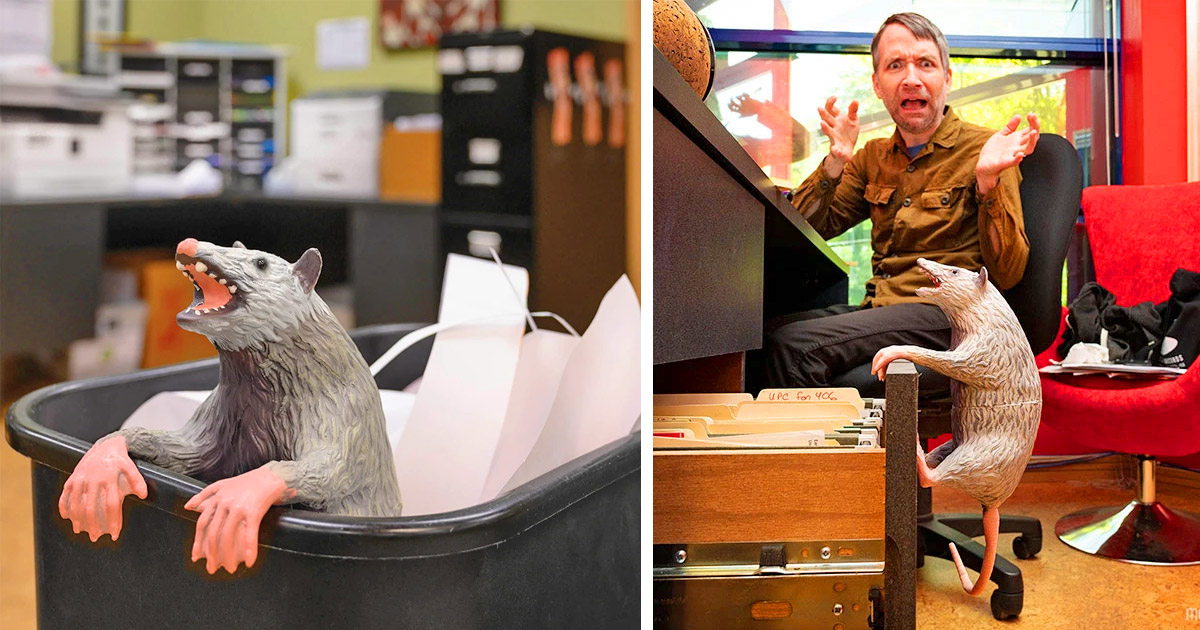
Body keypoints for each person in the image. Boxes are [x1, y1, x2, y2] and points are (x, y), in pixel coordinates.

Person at [764, 12, 1040, 389]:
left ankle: (824, 449)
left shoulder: (988, 150)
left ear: (947, 77)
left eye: (925, 63)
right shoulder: (872, 157)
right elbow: (805, 231)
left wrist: (988, 182)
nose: (911, 78)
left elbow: (1008, 273)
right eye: (896, 65)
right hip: (883, 309)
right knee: (760, 335)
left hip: (950, 316)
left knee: (794, 347)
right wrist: (835, 163)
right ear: (878, 85)